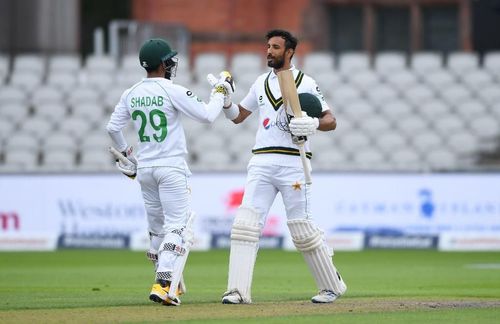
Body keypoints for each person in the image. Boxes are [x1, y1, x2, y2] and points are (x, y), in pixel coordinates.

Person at [220, 29, 347, 304]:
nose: (269, 51)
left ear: (289, 52)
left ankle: (331, 286)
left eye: (275, 47)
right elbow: (239, 117)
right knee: (245, 225)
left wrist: (313, 124)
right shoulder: (259, 82)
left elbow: (331, 120)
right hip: (262, 160)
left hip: (293, 163)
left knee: (301, 227)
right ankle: (237, 290)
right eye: (268, 46)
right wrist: (226, 102)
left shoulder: (306, 82)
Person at [106, 38, 234, 306]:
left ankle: (169, 288)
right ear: (163, 64)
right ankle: (163, 282)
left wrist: (129, 156)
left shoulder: (131, 92)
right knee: (177, 225)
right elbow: (208, 115)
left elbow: (112, 128)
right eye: (170, 60)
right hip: (171, 167)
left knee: (156, 231)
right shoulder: (170, 90)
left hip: (146, 170)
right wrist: (221, 91)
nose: (173, 64)